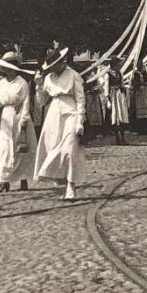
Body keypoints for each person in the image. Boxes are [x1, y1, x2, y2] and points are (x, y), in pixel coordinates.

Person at [34, 49, 85, 201]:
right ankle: (60, 178)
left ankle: (71, 184)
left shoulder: (73, 75)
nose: (52, 69)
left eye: (54, 65)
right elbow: (41, 102)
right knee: (53, 147)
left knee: (69, 150)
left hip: (70, 113)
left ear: (61, 63)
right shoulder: (48, 78)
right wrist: (38, 86)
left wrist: (80, 121)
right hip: (53, 114)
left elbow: (80, 99)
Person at [0, 54, 36, 192]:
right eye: (5, 66)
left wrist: (24, 120)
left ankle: (23, 179)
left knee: (20, 147)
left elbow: (26, 101)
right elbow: (0, 102)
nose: (7, 69)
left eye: (10, 66)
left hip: (19, 116)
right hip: (6, 117)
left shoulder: (22, 83)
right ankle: (4, 180)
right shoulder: (1, 83)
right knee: (5, 148)